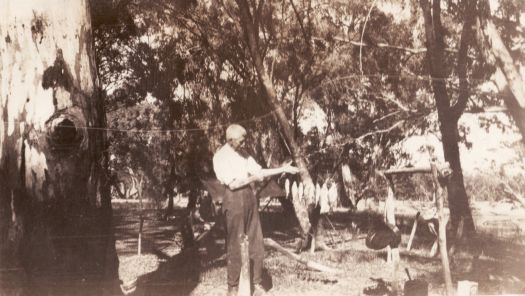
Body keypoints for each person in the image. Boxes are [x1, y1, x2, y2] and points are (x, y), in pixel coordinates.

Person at [213, 124, 300, 296]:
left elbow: (260, 171)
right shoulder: (220, 157)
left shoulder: (244, 154)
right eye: (241, 140)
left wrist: (282, 169)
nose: (244, 143)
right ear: (230, 140)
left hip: (250, 197)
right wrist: (253, 177)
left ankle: (257, 283)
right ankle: (233, 286)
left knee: (256, 240)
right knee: (235, 243)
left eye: (244, 140)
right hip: (233, 199)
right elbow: (233, 183)